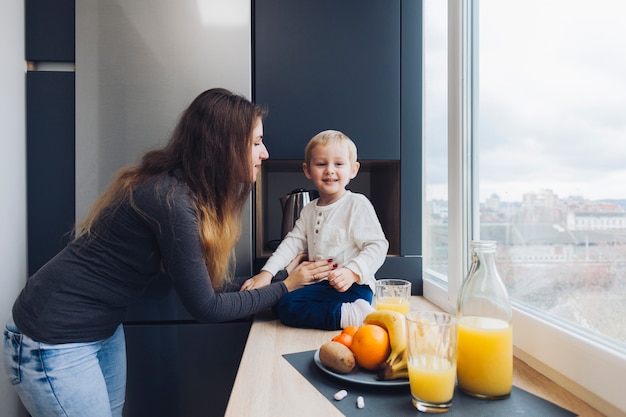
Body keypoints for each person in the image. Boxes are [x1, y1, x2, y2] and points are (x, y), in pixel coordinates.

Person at [2, 88, 336, 417]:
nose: (265, 153)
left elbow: (203, 286)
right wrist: (286, 286)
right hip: (51, 338)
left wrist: (278, 277)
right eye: (256, 142)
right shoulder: (171, 201)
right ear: (224, 146)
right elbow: (206, 307)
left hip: (100, 329)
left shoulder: (183, 193)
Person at [240, 129, 389, 330]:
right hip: (322, 286)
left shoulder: (357, 204)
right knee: (275, 301)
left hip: (353, 287)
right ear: (307, 170)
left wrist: (352, 272)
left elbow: (378, 246)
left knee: (287, 306)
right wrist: (266, 273)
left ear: (353, 170)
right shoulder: (309, 210)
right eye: (321, 164)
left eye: (338, 164)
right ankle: (344, 312)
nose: (329, 170)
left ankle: (351, 315)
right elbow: (291, 243)